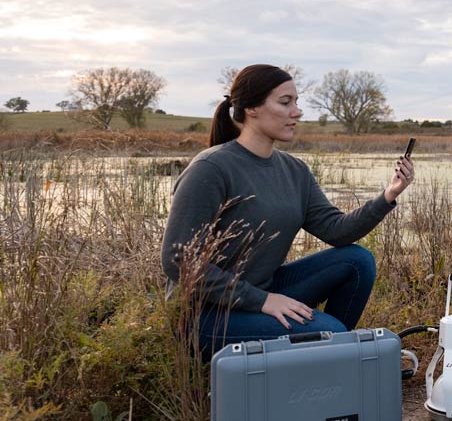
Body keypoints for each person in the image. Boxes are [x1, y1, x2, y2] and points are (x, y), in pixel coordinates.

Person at [160, 64, 413, 356]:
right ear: (252, 108)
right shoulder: (211, 168)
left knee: (357, 260)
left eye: (296, 102)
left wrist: (388, 195)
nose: (297, 111)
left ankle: (320, 359)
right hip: (204, 315)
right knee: (331, 332)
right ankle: (326, 356)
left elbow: (336, 230)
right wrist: (262, 301)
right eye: (285, 102)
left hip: (259, 293)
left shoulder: (294, 170)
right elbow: (178, 259)